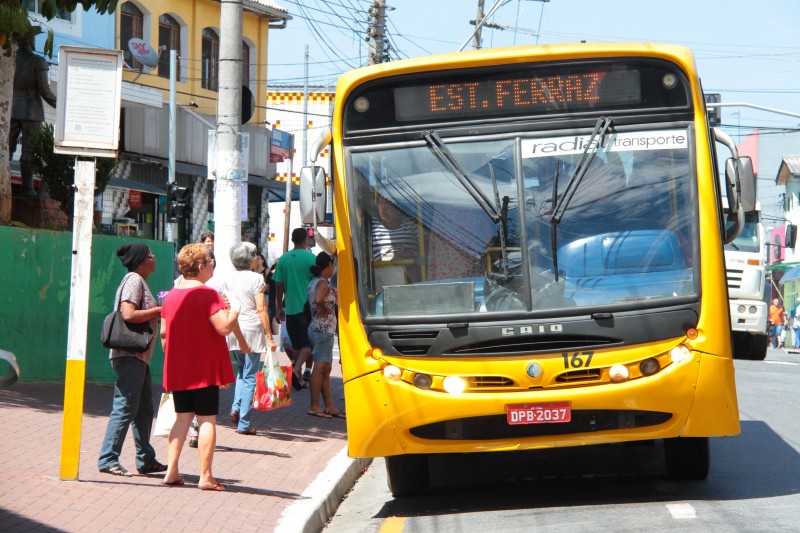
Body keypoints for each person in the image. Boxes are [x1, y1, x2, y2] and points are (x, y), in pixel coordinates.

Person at [160, 244, 239, 490]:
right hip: (204, 368)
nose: (213, 264)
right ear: (201, 267)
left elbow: (164, 334)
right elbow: (223, 327)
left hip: (179, 366)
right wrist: (235, 310)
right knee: (206, 420)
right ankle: (205, 476)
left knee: (182, 418)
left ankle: (171, 471)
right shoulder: (208, 295)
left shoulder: (171, 296)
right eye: (210, 261)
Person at [98, 243, 166, 477]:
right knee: (125, 405)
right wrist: (159, 310)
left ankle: (145, 459)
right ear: (141, 262)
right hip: (130, 355)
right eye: (151, 256)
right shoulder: (134, 280)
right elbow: (128, 314)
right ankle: (108, 458)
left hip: (139, 356)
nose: (154, 258)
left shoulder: (138, 281)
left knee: (144, 408)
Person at [227, 242, 277, 435]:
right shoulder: (256, 278)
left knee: (241, 371)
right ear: (249, 260)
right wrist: (269, 336)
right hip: (252, 330)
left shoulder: (229, 277)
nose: (257, 259)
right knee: (249, 377)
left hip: (234, 328)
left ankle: (236, 407)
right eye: (255, 256)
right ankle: (244, 422)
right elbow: (261, 308)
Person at [9, 28, 57, 198]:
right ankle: (28, 188)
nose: (35, 42)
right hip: (31, 111)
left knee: (6, 150)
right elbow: (45, 91)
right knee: (28, 151)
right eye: (34, 39)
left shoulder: (9, 59)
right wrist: (63, 106)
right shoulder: (38, 61)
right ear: (29, 41)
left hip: (11, 110)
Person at [274, 228, 317, 389]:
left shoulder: (283, 259)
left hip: (290, 308)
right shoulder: (311, 258)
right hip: (307, 308)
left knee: (297, 344)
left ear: (292, 240)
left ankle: (298, 379)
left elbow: (279, 285)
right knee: (309, 343)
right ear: (305, 240)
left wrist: (279, 307)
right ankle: (298, 368)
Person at [306, 252, 345, 419]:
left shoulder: (315, 281)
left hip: (320, 329)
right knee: (320, 368)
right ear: (328, 265)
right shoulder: (322, 282)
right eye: (333, 265)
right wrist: (326, 309)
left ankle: (329, 406)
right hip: (322, 330)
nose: (334, 268)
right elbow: (318, 299)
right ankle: (314, 406)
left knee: (326, 368)